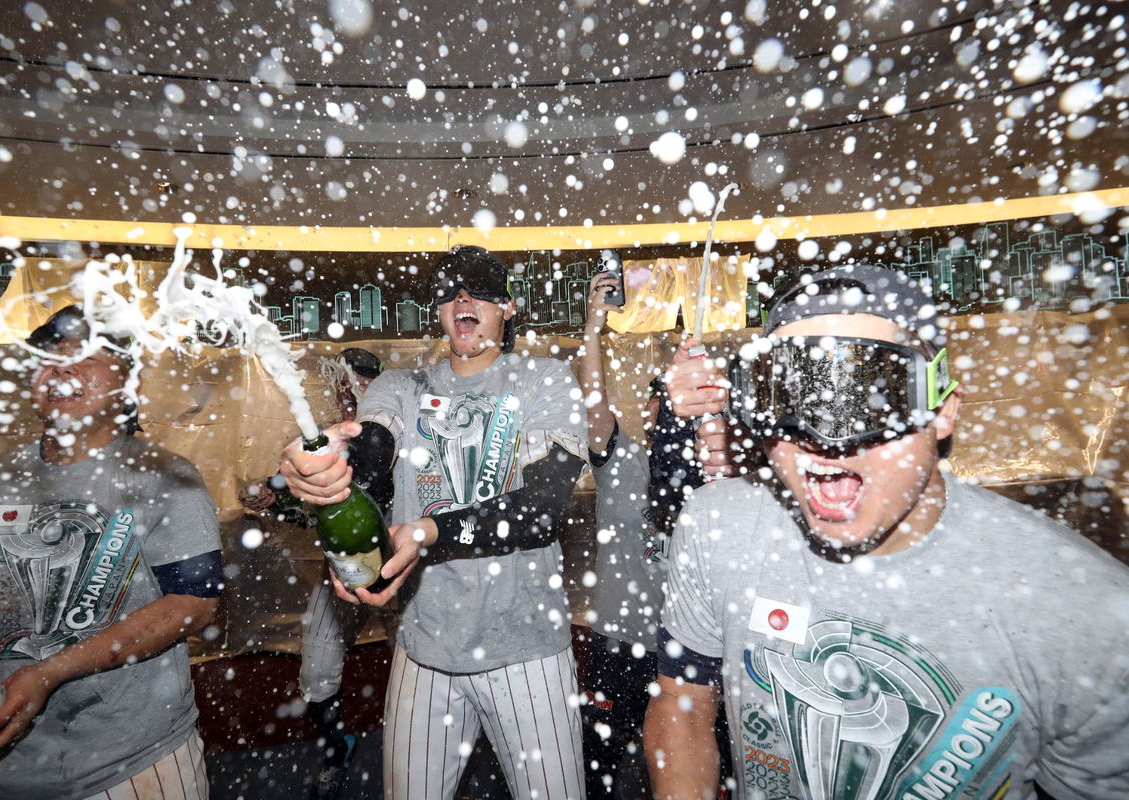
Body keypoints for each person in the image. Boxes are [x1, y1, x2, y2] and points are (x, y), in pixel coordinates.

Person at [644, 264, 1129, 800]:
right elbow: (681, 701)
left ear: (943, 410)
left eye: (872, 394)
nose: (825, 437)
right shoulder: (720, 527)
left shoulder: (1086, 614)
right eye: (793, 395)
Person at [281, 245, 589, 800]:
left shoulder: (546, 380)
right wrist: (329, 468)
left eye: (479, 287)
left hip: (528, 652)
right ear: (438, 310)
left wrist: (427, 531)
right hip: (425, 649)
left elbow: (541, 511)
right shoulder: (400, 387)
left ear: (509, 307)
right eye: (448, 288)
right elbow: (373, 455)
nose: (462, 296)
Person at [0, 306, 223, 800]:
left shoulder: (165, 479)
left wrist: (49, 673)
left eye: (86, 354)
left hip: (129, 764)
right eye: (48, 355)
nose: (62, 366)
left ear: (132, 386)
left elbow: (192, 605)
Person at [240, 346, 384, 800]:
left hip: (408, 565)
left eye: (360, 381)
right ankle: (336, 749)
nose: (351, 392)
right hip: (345, 569)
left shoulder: (398, 428)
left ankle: (429, 748)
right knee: (317, 672)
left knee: (429, 663)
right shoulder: (325, 438)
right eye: (344, 383)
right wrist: (270, 493)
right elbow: (297, 491)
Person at [577, 268, 670, 798]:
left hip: (686, 651)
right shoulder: (624, 461)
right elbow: (594, 402)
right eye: (655, 399)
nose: (661, 409)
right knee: (600, 770)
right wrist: (593, 326)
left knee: (685, 766)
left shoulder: (711, 481)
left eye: (671, 400)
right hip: (619, 646)